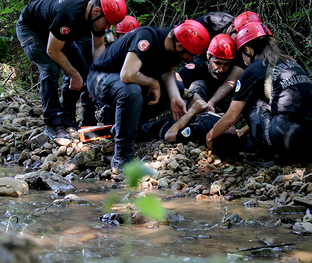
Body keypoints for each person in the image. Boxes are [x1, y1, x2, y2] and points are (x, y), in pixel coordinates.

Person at [86, 20, 210, 170]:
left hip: (122, 80)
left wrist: (175, 97)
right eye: (190, 54)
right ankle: (122, 156)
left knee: (177, 87)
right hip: (100, 77)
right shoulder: (146, 38)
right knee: (131, 91)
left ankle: (128, 126)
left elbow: (168, 70)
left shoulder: (172, 46)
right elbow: (127, 75)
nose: (190, 59)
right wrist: (153, 83)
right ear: (179, 46)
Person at [205, 21, 312, 166]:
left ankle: (264, 156)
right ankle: (304, 157)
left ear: (248, 50)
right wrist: (244, 131)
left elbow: (232, 116)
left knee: (248, 100)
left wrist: (210, 136)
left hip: (289, 138)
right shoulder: (290, 62)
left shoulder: (254, 70)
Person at [16, 0, 127, 139]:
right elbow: (52, 51)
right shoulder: (68, 14)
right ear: (96, 11)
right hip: (32, 29)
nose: (108, 28)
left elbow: (99, 48)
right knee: (50, 69)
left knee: (85, 71)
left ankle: (67, 119)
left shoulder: (96, 14)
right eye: (107, 23)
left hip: (55, 31)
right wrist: (73, 74)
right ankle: (52, 125)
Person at [61, 0, 116, 127]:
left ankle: (88, 116)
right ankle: (66, 117)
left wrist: (109, 32)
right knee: (74, 72)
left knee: (93, 73)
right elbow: (64, 5)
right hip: (75, 33)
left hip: (95, 34)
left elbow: (109, 6)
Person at [139, 98, 248, 157]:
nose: (231, 125)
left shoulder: (199, 129)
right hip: (192, 115)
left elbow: (169, 135)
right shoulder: (231, 130)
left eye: (228, 128)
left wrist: (192, 111)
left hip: (159, 127)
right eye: (231, 127)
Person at [177, 34, 243, 113]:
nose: (221, 69)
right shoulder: (197, 69)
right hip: (191, 114)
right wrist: (190, 94)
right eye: (217, 63)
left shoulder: (232, 74)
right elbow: (174, 80)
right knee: (199, 84)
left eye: (226, 64)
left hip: (218, 118)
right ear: (208, 56)